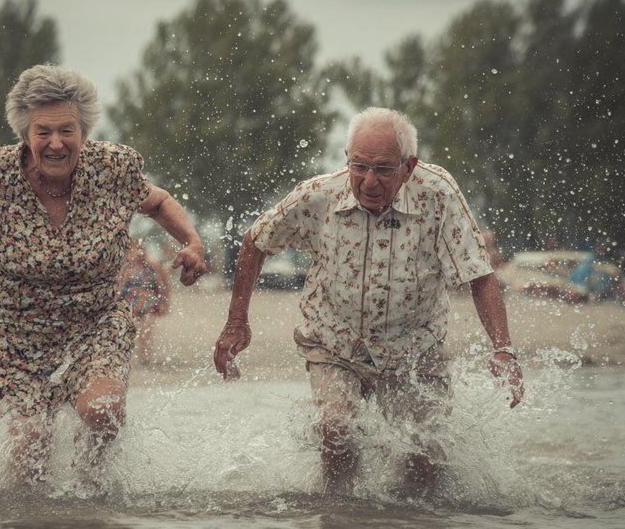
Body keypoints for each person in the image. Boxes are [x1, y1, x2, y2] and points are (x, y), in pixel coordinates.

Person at [214, 107, 524, 495]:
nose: (369, 181)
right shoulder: (319, 195)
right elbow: (255, 241)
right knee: (337, 430)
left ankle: (407, 527)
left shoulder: (438, 195)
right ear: (347, 159)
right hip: (336, 342)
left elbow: (478, 272)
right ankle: (339, 513)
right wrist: (236, 322)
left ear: (408, 167)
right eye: (359, 166)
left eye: (383, 169)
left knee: (425, 457)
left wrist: (503, 349)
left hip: (415, 346)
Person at [0, 63, 206, 484]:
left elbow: (159, 201)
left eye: (66, 130)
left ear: (83, 132)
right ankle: (21, 514)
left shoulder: (112, 167)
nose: (56, 143)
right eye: (43, 132)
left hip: (95, 321)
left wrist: (192, 241)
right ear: (25, 133)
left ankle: (88, 491)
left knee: (104, 411)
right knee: (29, 438)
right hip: (11, 328)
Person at [119, 238, 171, 365]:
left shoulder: (152, 265)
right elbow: (119, 284)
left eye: (139, 249)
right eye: (134, 250)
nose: (137, 253)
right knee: (127, 329)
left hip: (148, 301)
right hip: (129, 302)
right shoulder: (126, 265)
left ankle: (145, 357)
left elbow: (162, 285)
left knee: (146, 329)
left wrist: (164, 302)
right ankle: (125, 357)